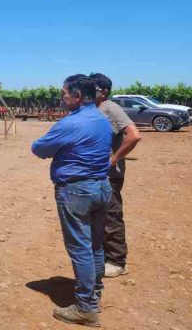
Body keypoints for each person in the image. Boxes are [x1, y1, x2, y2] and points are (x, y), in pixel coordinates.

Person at [31, 74, 112, 327]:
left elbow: (38, 148)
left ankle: (86, 308)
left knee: (80, 248)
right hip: (101, 187)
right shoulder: (101, 118)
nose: (62, 98)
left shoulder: (71, 123)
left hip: (76, 191)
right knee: (96, 245)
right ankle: (94, 293)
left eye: (64, 94)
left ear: (77, 96)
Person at [90, 73, 142, 278]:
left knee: (111, 216)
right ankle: (105, 256)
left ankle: (118, 261)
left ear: (103, 92)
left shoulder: (110, 108)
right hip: (98, 175)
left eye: (91, 89)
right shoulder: (95, 109)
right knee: (99, 216)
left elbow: (134, 135)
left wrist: (115, 158)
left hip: (111, 174)